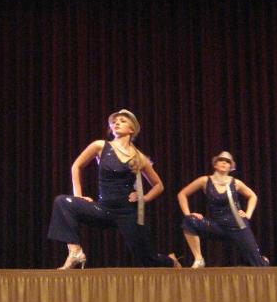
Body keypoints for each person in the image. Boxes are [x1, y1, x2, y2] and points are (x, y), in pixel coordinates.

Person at [48, 110, 180, 269]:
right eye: (114, 121)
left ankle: (170, 261)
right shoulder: (100, 146)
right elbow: (76, 166)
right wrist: (79, 196)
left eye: (122, 121)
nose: (116, 123)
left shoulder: (139, 157)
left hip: (127, 213)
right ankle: (75, 252)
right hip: (103, 209)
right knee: (63, 202)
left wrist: (143, 198)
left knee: (147, 259)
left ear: (132, 129)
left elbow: (159, 185)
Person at [177, 151, 268, 267]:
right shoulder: (205, 181)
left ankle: (263, 260)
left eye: (227, 161)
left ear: (230, 167)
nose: (224, 163)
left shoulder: (235, 183)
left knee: (258, 265)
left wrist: (248, 214)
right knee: (189, 221)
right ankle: (199, 259)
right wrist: (188, 214)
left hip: (238, 226)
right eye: (221, 160)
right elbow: (182, 194)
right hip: (217, 226)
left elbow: (253, 196)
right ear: (215, 164)